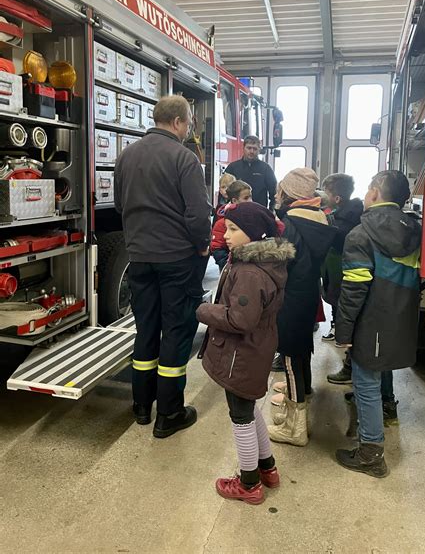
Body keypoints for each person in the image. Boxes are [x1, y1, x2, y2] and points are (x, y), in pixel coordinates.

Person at [114, 95, 211, 438]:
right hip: (177, 260)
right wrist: (202, 245)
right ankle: (169, 414)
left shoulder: (125, 156)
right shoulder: (185, 159)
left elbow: (118, 203)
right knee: (176, 332)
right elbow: (198, 214)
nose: (188, 130)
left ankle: (141, 405)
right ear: (178, 122)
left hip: (139, 258)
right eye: (189, 124)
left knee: (146, 328)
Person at [196, 202, 294, 504]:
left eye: (234, 229)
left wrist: (203, 311)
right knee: (248, 411)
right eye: (227, 227)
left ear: (255, 235)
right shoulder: (254, 263)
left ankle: (249, 484)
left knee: (240, 417)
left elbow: (241, 319)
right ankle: (268, 468)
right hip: (255, 349)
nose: (225, 233)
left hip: (242, 354)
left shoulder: (251, 273)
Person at [335, 170, 421, 477]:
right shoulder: (415, 230)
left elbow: (354, 290)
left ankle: (371, 454)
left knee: (365, 382)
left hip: (371, 319)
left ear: (373, 193)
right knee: (381, 366)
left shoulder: (360, 234)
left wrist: (343, 331)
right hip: (401, 315)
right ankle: (389, 408)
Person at [267, 168, 337, 446]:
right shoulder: (317, 218)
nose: (275, 194)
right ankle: (299, 402)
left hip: (290, 298)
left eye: (280, 189)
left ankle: (296, 428)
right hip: (306, 294)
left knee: (290, 359)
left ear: (290, 193)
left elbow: (279, 262)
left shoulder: (289, 223)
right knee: (301, 352)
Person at [321, 173, 363, 350]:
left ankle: (342, 330)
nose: (323, 196)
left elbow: (338, 240)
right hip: (334, 265)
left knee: (338, 296)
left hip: (341, 264)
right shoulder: (339, 214)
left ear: (337, 198)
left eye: (326, 193)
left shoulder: (346, 220)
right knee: (333, 294)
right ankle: (335, 325)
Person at [225, 135, 277, 209]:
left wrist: (271, 212)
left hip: (259, 213)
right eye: (249, 148)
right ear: (243, 148)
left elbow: (274, 194)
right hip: (236, 212)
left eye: (255, 149)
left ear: (259, 150)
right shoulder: (233, 167)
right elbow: (224, 191)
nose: (252, 151)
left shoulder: (266, 169)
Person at [211, 180, 252, 271]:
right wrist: (227, 263)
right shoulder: (222, 223)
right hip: (230, 267)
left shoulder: (253, 218)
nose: (250, 201)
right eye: (246, 198)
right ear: (234, 200)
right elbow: (217, 247)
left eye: (250, 197)